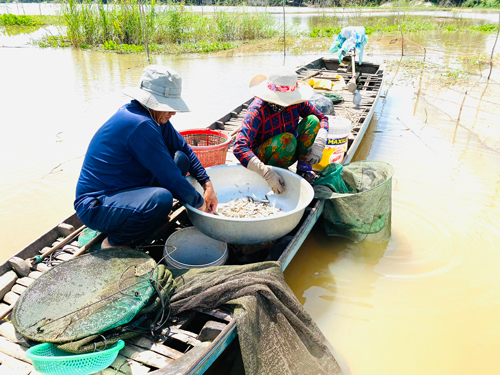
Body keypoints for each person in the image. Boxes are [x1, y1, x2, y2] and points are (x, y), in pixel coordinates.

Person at [74, 65, 218, 249]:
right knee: (162, 199)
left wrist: (207, 184)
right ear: (153, 102)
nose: (173, 112)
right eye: (169, 107)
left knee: (180, 159)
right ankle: (114, 244)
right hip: (97, 205)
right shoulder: (139, 124)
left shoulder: (154, 117)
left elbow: (184, 148)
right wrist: (201, 206)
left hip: (126, 188)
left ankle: (144, 211)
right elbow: (170, 177)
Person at [233, 66, 329, 193]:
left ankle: (303, 171)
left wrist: (320, 142)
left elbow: (322, 118)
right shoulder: (257, 109)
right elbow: (239, 146)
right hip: (265, 158)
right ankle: (277, 174)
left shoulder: (297, 101)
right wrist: (266, 173)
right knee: (287, 140)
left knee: (312, 120)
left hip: (289, 149)